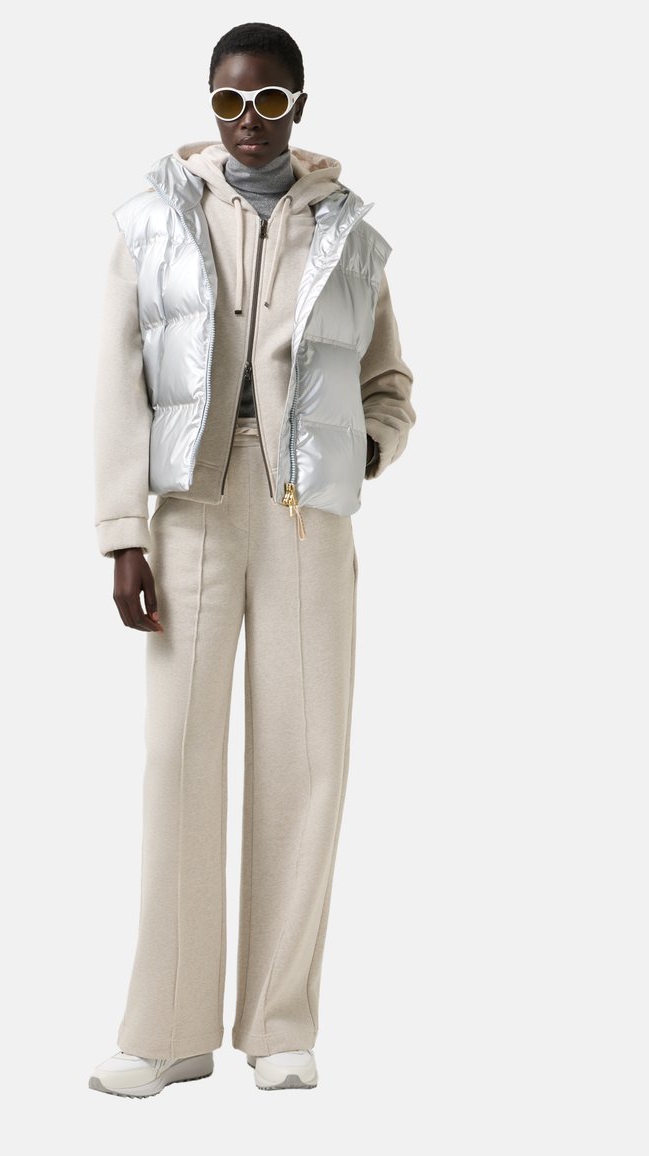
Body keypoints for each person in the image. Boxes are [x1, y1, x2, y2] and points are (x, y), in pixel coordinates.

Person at [88, 21, 416, 1098]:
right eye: (230, 101)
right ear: (211, 104)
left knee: (306, 759)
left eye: (269, 101)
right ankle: (168, 1030)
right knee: (176, 756)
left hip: (305, 512)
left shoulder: (351, 235)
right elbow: (115, 380)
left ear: (297, 107)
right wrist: (123, 532)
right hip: (191, 505)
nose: (248, 121)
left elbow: (389, 384)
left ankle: (278, 1024)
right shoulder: (150, 220)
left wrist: (364, 451)